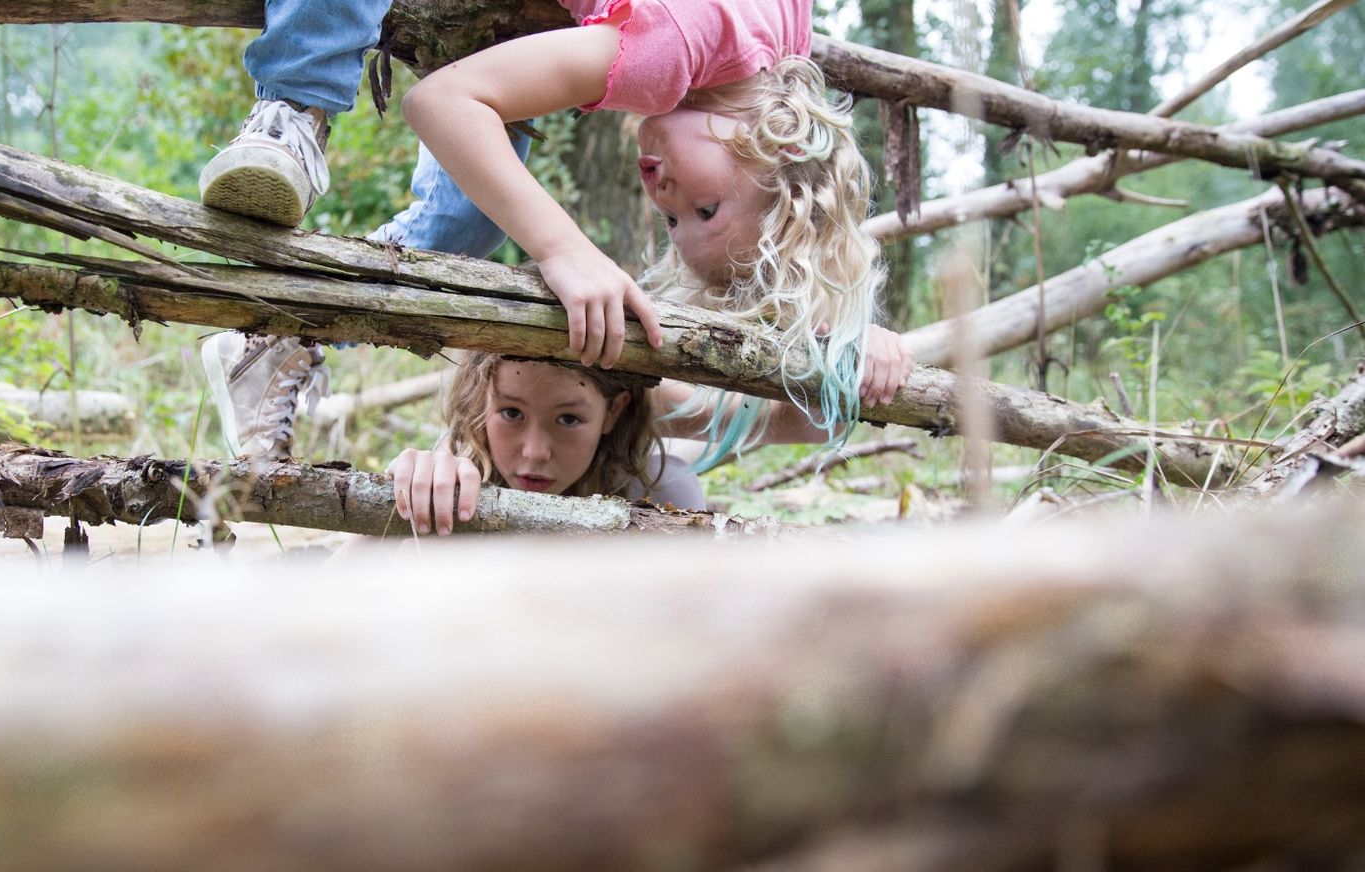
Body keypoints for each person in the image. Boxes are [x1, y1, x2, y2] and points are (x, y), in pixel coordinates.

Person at [201, 0, 912, 469]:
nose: (662, 197)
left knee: (468, 218)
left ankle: (283, 340)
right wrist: (564, 248)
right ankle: (293, 109)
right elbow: (441, 103)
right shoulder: (670, 55)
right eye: (704, 209)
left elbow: (799, 237)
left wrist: (846, 337)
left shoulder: (774, 50)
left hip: (512, 34)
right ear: (779, 144)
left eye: (674, 222)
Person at [388, 353, 705, 536]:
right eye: (512, 413)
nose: (535, 452)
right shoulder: (458, 481)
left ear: (614, 411)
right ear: (481, 402)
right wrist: (407, 499)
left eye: (568, 419)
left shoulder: (663, 498)